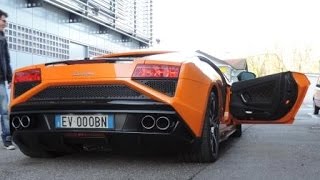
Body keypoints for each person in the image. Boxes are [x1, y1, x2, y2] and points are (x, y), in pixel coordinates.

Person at [0, 9, 15, 150]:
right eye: (3, 20)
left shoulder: (2, 37)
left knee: (4, 110)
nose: (6, 23)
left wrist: (10, 77)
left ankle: (7, 139)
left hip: (0, 81)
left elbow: (6, 58)